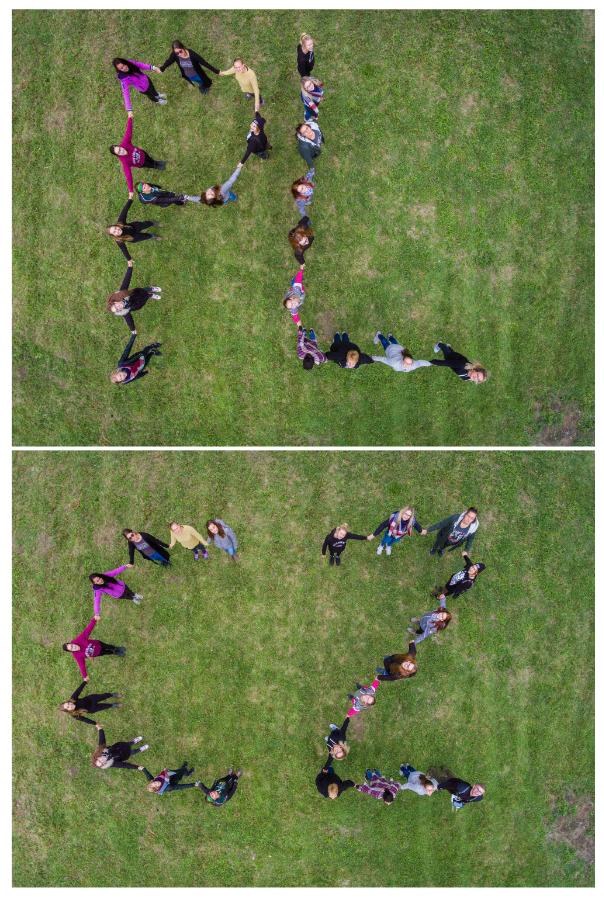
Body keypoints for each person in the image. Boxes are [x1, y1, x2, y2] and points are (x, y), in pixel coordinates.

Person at [110, 113, 165, 194]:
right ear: (117, 155)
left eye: (120, 148)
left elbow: (128, 131)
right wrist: (131, 191)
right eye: (119, 152)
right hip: (142, 163)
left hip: (143, 154)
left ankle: (156, 163)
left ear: (119, 146)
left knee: (151, 159)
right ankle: (157, 166)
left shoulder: (125, 143)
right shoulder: (124, 162)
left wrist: (130, 118)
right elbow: (128, 177)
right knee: (150, 165)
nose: (121, 150)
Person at [62, 616, 125, 680]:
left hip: (98, 644)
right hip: (97, 653)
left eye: (72, 645)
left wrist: (94, 619)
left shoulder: (79, 639)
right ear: (71, 651)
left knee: (108, 646)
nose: (74, 647)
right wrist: (85, 676)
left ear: (72, 643)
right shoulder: (77, 655)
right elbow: (82, 666)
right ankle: (114, 652)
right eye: (72, 649)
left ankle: (116, 648)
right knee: (106, 652)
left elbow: (87, 630)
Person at [107, 263, 162, 335]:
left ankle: (151, 288)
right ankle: (150, 295)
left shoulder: (122, 293)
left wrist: (130, 268)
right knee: (145, 297)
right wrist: (133, 329)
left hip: (136, 293)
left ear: (116, 302)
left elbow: (126, 280)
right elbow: (129, 320)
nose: (118, 308)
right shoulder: (124, 312)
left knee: (143, 291)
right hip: (137, 303)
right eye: (117, 309)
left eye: (116, 306)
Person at [106, 197, 161, 262]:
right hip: (133, 237)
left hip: (135, 226)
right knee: (144, 236)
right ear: (114, 235)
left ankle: (152, 223)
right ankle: (152, 236)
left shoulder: (120, 222)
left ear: (116, 225)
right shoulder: (119, 240)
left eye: (115, 228)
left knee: (146, 224)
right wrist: (129, 259)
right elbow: (124, 250)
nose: (117, 230)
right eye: (114, 232)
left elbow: (125, 210)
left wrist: (130, 199)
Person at [136, 181, 200, 207]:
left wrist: (158, 187)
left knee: (171, 194)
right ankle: (182, 203)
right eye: (144, 187)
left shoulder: (148, 186)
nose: (146, 186)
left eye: (145, 184)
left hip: (159, 194)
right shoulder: (152, 198)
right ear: (143, 192)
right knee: (172, 198)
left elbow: (152, 185)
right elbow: (167, 200)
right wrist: (180, 198)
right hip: (163, 202)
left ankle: (180, 201)